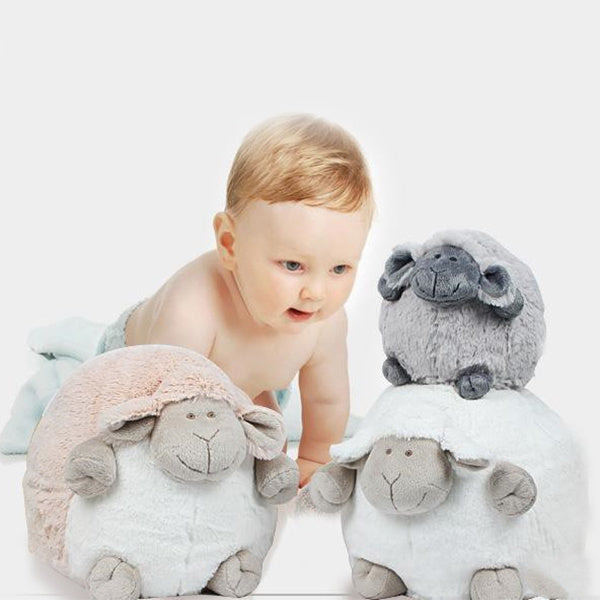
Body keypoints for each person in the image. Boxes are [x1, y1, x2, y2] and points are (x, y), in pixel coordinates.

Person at [5, 114, 374, 488]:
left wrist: (314, 460)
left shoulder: (324, 321)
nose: (316, 292)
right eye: (293, 265)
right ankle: (63, 369)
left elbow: (326, 401)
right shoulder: (192, 311)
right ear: (230, 244)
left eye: (340, 268)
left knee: (266, 446)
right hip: (144, 375)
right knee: (82, 415)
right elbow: (154, 410)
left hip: (248, 384)